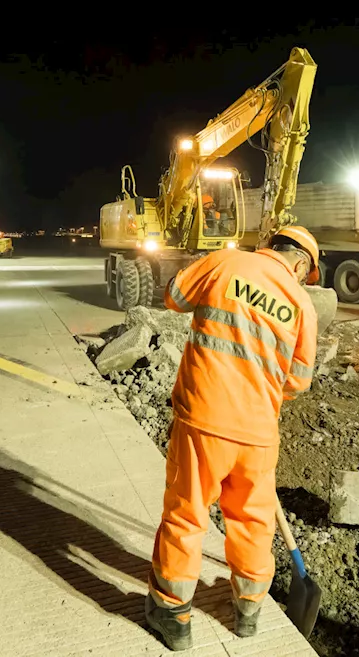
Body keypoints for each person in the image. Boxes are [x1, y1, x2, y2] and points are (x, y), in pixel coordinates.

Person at [145, 225, 320, 651]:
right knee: (252, 521)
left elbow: (174, 298)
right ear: (300, 263)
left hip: (202, 419)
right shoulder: (302, 304)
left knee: (187, 516)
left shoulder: (227, 261)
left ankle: (172, 616)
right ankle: (248, 610)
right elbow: (297, 381)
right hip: (258, 432)